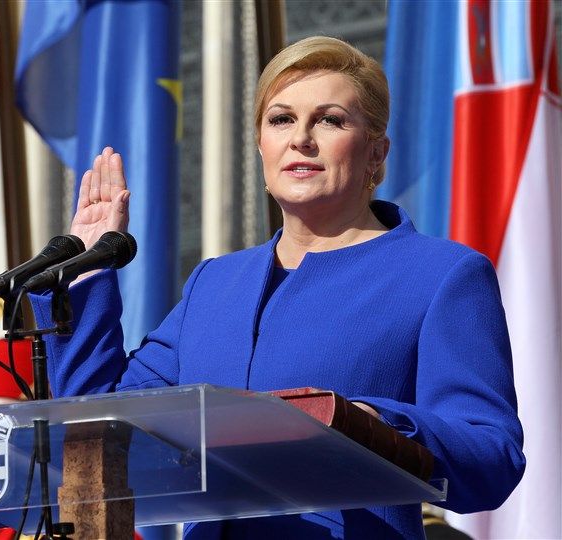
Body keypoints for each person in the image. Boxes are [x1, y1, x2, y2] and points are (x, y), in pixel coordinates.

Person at [30, 36, 525, 539]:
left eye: (330, 120)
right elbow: (98, 424)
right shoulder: (214, 284)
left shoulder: (441, 275)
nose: (301, 139)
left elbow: (492, 457)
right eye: (281, 119)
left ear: (376, 152)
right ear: (261, 146)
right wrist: (85, 273)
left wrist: (373, 424)